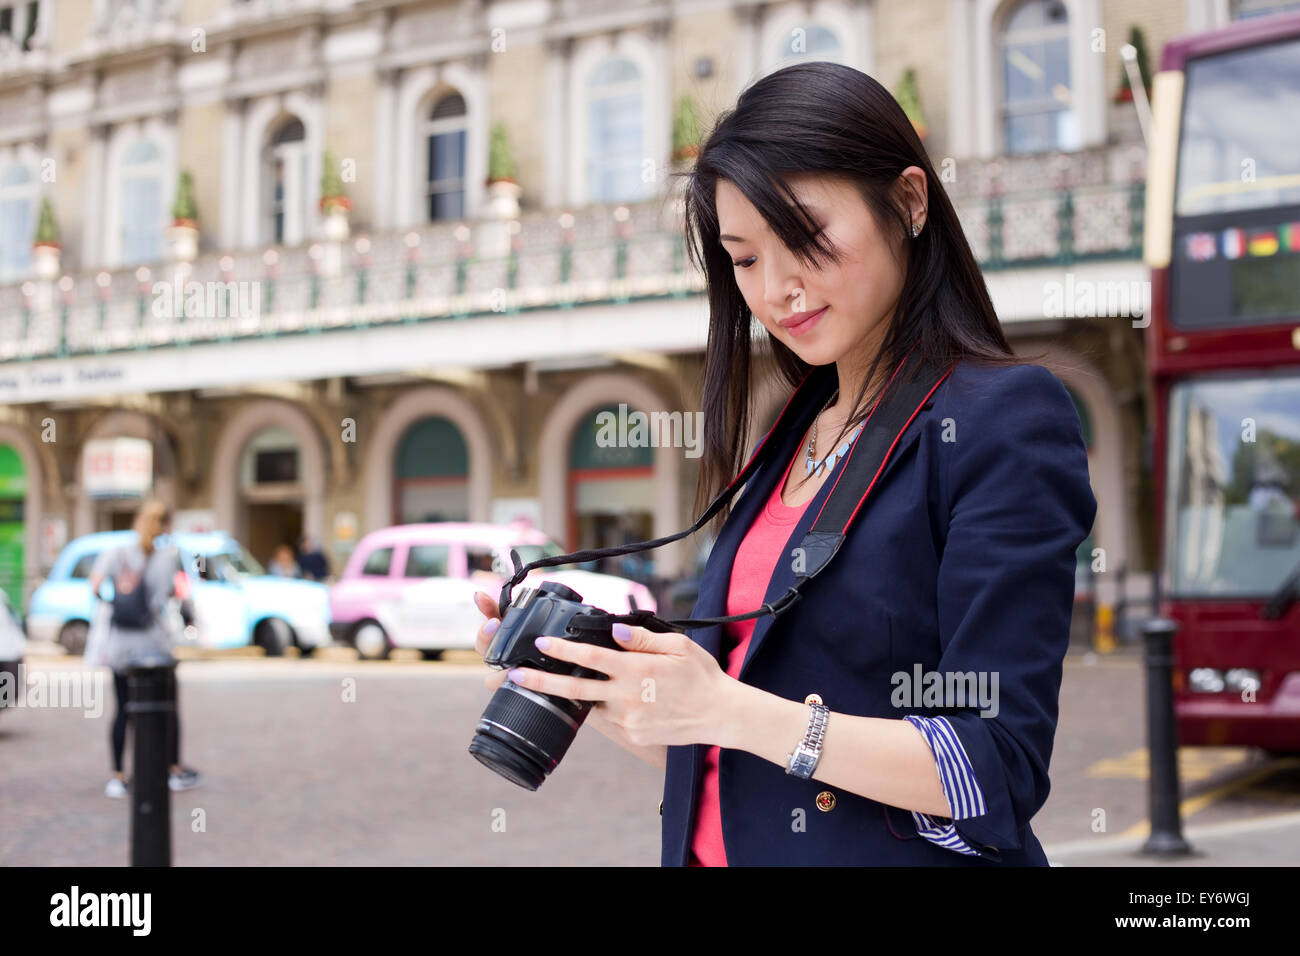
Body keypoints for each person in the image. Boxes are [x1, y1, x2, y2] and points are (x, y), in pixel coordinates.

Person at [473, 61, 1096, 866]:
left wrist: (728, 710)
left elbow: (995, 771)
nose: (778, 290)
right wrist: (608, 691)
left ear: (909, 202)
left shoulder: (1001, 418)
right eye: (744, 258)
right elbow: (757, 765)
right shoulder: (792, 430)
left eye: (803, 235)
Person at [87, 498, 202, 798]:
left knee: (123, 710)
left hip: (120, 644)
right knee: (168, 708)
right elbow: (174, 594)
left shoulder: (117, 551)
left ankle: (117, 776)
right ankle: (172, 769)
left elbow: (95, 584)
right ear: (165, 526)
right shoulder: (167, 557)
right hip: (153, 643)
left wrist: (115, 604)